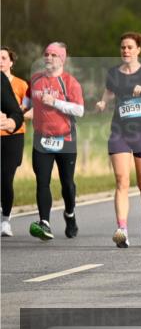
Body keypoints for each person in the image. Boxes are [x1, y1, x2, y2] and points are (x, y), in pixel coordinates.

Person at [95, 33, 141, 248]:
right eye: (123, 47)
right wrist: (103, 103)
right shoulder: (114, 73)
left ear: (138, 50)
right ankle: (122, 229)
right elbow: (108, 92)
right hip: (119, 131)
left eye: (130, 47)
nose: (125, 51)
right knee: (121, 181)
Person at [22, 43, 84, 241]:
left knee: (67, 183)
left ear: (62, 59)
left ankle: (70, 214)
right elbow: (27, 102)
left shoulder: (70, 82)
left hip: (65, 139)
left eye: (53, 55)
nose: (48, 58)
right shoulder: (36, 80)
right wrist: (21, 111)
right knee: (42, 181)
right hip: (42, 140)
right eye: (46, 54)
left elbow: (80, 110)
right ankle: (44, 223)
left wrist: (55, 102)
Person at [1, 46, 28, 237]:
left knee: (6, 178)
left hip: (13, 135)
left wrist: (12, 118)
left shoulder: (21, 84)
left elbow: (24, 109)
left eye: (3, 58)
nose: (0, 61)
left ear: (11, 62)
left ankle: (5, 220)